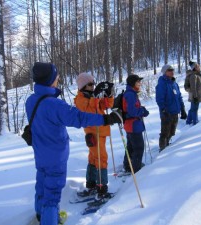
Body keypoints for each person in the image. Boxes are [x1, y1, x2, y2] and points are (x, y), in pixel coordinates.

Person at [25, 62, 120, 225]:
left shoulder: (32, 100)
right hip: (55, 155)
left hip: (41, 152)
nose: (58, 79)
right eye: (56, 77)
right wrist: (106, 119)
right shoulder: (54, 104)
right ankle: (49, 220)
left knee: (42, 184)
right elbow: (79, 117)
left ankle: (42, 215)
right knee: (52, 193)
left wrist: (107, 96)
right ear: (49, 80)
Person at [74, 73, 115, 200]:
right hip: (93, 133)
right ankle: (102, 189)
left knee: (93, 159)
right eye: (90, 84)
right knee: (101, 159)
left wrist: (109, 94)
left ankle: (91, 185)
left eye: (93, 84)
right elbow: (90, 111)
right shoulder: (80, 99)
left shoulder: (92, 97)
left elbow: (106, 105)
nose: (93, 87)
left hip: (101, 132)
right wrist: (96, 97)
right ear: (83, 86)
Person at [156, 64, 187, 152]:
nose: (172, 72)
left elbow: (179, 97)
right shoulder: (162, 84)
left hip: (175, 112)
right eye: (169, 70)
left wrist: (182, 109)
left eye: (172, 70)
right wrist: (163, 109)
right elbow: (159, 98)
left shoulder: (174, 83)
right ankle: (162, 149)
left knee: (172, 132)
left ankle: (167, 145)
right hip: (166, 113)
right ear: (165, 72)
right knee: (165, 133)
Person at [122, 74, 149, 174]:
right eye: (138, 82)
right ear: (133, 83)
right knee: (138, 147)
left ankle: (128, 166)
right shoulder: (130, 94)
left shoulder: (131, 93)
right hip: (133, 125)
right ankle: (136, 169)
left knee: (130, 147)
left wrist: (141, 110)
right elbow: (132, 111)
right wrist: (142, 111)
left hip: (131, 125)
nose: (140, 83)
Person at [184, 61, 201, 125]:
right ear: (195, 68)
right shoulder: (194, 76)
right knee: (195, 109)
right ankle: (195, 122)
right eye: (198, 66)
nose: (199, 67)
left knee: (192, 109)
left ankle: (188, 121)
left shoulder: (197, 75)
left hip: (195, 95)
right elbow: (193, 87)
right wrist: (195, 97)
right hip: (195, 96)